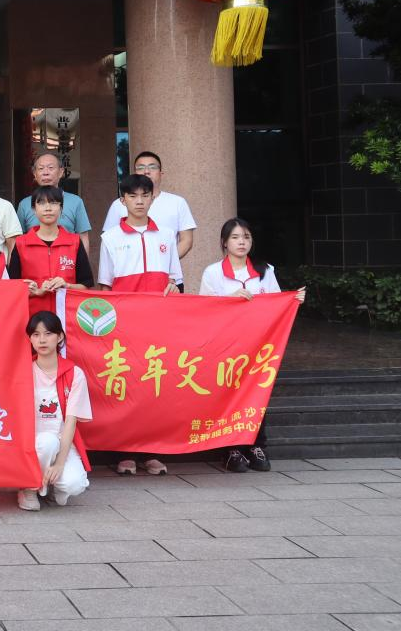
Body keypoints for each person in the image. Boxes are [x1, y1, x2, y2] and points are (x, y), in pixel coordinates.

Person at [200, 217, 306, 474]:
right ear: (224, 243)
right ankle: (231, 448)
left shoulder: (265, 270)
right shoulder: (213, 272)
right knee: (228, 393)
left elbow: (276, 303)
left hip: (259, 345)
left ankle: (257, 446)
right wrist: (230, 299)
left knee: (257, 394)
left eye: (246, 237)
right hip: (226, 346)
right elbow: (204, 309)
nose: (241, 242)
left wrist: (293, 299)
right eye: (235, 237)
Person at [98, 173, 181, 478]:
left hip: (158, 325)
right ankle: (125, 452)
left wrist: (172, 287)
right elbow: (105, 287)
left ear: (152, 198)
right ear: (123, 201)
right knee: (127, 385)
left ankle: (152, 452)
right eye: (132, 196)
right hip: (125, 327)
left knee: (155, 386)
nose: (139, 201)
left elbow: (175, 280)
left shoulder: (166, 235)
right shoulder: (110, 238)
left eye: (145, 195)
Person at [18, 311, 91, 511]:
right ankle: (29, 488)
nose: (42, 340)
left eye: (48, 333)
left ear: (60, 337)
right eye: (36, 334)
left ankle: (51, 484)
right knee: (47, 442)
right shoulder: (24, 371)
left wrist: (59, 463)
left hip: (62, 442)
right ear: (30, 339)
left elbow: (71, 422)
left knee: (74, 484)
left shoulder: (74, 374)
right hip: (33, 442)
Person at [8, 186, 94, 314]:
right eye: (42, 203)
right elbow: (11, 288)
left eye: (53, 203)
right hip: (32, 316)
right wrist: (36, 292)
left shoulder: (74, 242)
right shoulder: (21, 243)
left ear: (61, 209)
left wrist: (67, 286)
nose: (48, 208)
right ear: (34, 209)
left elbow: (86, 285)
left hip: (67, 315)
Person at [102, 151, 196, 263]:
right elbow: (109, 240)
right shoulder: (118, 204)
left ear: (161, 173)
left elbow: (186, 240)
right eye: (141, 167)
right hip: (129, 271)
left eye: (152, 167)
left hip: (167, 272)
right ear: (134, 173)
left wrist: (165, 262)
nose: (146, 171)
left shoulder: (177, 202)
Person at [16, 153, 92, 251]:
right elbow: (19, 239)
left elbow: (83, 237)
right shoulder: (24, 204)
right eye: (41, 168)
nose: (45, 172)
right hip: (34, 259)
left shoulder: (76, 202)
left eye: (50, 168)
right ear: (35, 174)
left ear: (61, 172)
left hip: (66, 259)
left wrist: (83, 260)